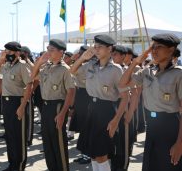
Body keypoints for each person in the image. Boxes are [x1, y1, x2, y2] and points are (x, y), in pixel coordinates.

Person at [119, 33, 182, 171]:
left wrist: (180, 144)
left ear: (171, 50)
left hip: (171, 127)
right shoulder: (147, 72)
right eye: (153, 47)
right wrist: (135, 62)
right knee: (151, 166)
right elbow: (122, 84)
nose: (154, 50)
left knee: (169, 166)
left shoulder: (178, 74)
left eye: (159, 47)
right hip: (152, 126)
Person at [70, 35, 126, 171]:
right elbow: (72, 71)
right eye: (95, 47)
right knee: (93, 154)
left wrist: (115, 120)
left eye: (100, 47)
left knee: (101, 154)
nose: (96, 49)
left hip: (106, 111)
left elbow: (125, 97)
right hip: (92, 109)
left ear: (109, 49)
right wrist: (83, 58)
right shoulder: (90, 65)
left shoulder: (116, 69)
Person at [31, 39, 76, 171]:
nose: (48, 52)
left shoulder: (65, 70)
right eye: (48, 49)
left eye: (51, 50)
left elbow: (71, 91)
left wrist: (63, 113)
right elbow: (32, 77)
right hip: (46, 106)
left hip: (58, 106)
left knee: (59, 143)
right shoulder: (46, 67)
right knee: (48, 142)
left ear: (61, 52)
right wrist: (39, 61)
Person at [0, 41, 32, 171]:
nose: (7, 54)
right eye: (6, 52)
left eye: (10, 52)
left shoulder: (22, 66)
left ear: (17, 53)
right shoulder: (6, 65)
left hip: (18, 102)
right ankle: (12, 164)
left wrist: (22, 106)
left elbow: (29, 86)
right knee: (10, 135)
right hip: (6, 102)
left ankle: (20, 165)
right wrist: (1, 58)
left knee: (19, 137)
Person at [70, 45, 92, 164]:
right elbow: (72, 70)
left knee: (87, 128)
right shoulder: (83, 65)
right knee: (83, 129)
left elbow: (72, 70)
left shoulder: (89, 65)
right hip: (81, 96)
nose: (80, 55)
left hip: (87, 96)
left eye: (82, 53)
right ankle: (84, 153)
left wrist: (79, 59)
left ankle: (88, 155)